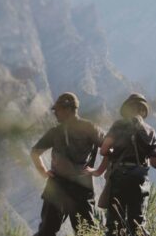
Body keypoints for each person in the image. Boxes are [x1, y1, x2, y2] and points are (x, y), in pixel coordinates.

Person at [86, 93, 156, 236]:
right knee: (137, 224)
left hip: (119, 177)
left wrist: (116, 152)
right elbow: (155, 163)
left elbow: (104, 150)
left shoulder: (119, 126)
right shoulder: (150, 131)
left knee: (114, 223)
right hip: (140, 181)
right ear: (143, 111)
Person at [30, 92, 104, 236]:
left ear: (68, 109)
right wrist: (98, 171)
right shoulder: (90, 128)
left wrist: (44, 172)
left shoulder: (55, 132)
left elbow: (35, 153)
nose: (55, 113)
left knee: (46, 231)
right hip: (81, 188)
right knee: (86, 232)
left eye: (57, 110)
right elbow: (110, 149)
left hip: (57, 187)